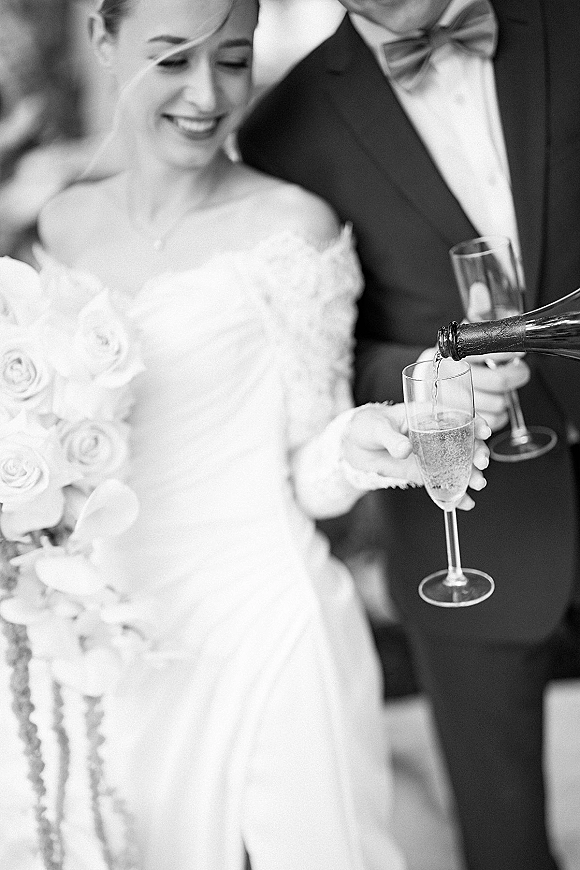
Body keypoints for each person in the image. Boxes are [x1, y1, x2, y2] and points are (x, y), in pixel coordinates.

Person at [24, 0, 491, 868]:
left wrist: (364, 444)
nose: (207, 94)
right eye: (172, 60)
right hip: (103, 638)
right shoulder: (61, 224)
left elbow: (311, 477)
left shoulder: (294, 230)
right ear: (102, 39)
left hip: (263, 620)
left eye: (232, 60)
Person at [238, 2, 580, 869]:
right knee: (503, 839)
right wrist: (426, 376)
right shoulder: (288, 125)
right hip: (464, 524)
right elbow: (319, 354)